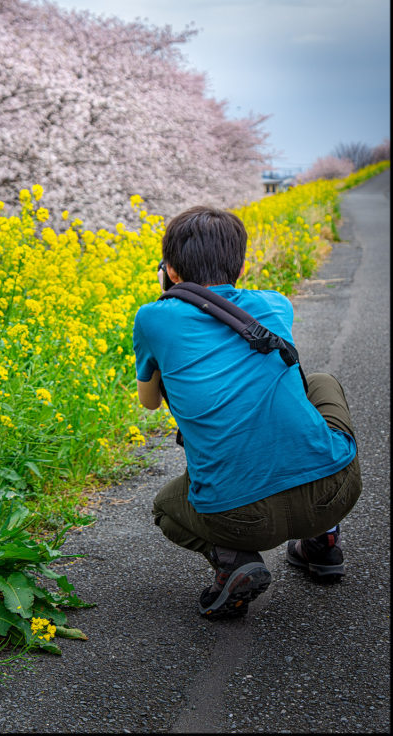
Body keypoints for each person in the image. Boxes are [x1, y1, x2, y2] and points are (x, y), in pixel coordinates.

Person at [132, 206, 362, 620]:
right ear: (241, 264)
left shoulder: (153, 318)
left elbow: (149, 402)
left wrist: (166, 292)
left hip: (239, 518)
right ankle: (322, 541)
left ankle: (234, 563)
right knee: (320, 382)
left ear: (169, 269)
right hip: (336, 489)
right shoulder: (276, 305)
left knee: (166, 507)